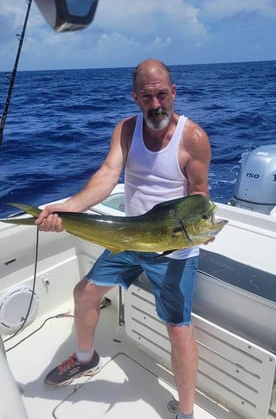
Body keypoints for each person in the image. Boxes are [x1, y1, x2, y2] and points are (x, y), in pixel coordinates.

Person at [35, 58, 211, 419]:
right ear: (135, 97)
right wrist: (65, 208)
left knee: (178, 331)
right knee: (84, 294)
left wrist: (197, 233)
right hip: (130, 237)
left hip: (172, 247)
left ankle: (187, 413)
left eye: (162, 94)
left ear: (173, 92)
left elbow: (199, 198)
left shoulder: (193, 138)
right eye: (147, 96)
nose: (156, 104)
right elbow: (106, 176)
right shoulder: (126, 131)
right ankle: (86, 357)